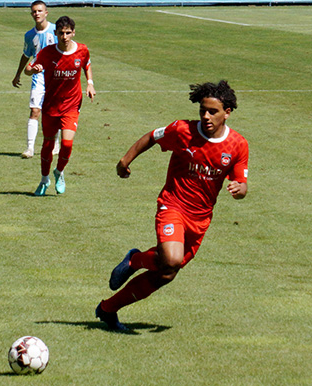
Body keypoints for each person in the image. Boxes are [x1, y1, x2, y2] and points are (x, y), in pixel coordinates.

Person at [96, 81, 249, 332]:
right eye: (203, 110)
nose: (206, 116)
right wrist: (125, 160)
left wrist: (239, 190)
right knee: (171, 259)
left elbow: (241, 184)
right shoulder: (182, 130)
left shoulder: (237, 145)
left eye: (213, 111)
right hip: (173, 205)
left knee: (166, 274)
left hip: (200, 219)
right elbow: (151, 137)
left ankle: (107, 309)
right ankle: (135, 260)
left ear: (227, 112)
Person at [24, 15, 96, 196]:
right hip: (50, 106)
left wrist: (90, 83)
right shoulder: (47, 53)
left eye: (68, 33)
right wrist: (32, 70)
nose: (65, 37)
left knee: (67, 143)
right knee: (47, 145)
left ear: (73, 33)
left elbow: (87, 64)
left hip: (72, 106)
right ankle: (44, 179)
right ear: (55, 33)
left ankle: (59, 172)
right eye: (61, 33)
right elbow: (27, 69)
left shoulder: (82, 50)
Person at [11, 0, 59, 159]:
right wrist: (18, 74)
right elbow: (26, 55)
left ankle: (55, 144)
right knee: (35, 111)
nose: (36, 14)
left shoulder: (56, 31)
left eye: (39, 11)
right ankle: (30, 148)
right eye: (34, 11)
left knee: (54, 112)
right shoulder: (29, 35)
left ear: (46, 13)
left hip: (56, 77)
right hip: (38, 78)